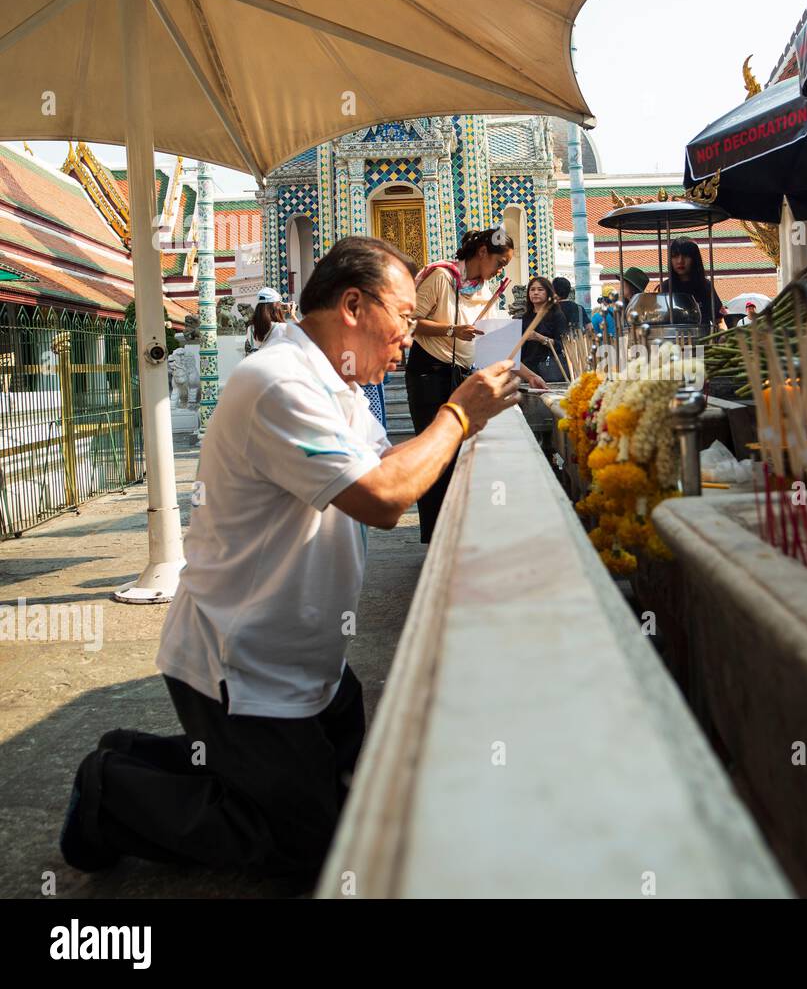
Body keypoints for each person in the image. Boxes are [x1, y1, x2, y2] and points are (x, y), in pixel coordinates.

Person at [59, 236, 522, 884]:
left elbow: (384, 467)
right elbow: (382, 499)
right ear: (354, 306)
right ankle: (110, 791)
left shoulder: (341, 382)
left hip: (306, 655)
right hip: (239, 665)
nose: (408, 338)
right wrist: (455, 416)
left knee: (349, 801)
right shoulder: (276, 383)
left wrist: (452, 427)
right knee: (302, 850)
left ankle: (143, 755)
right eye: (406, 320)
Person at [406, 225, 546, 544]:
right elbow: (409, 321)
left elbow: (494, 340)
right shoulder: (441, 277)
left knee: (459, 453)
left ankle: (456, 531)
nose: (500, 270)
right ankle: (435, 536)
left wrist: (527, 374)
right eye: (499, 262)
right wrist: (451, 331)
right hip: (428, 372)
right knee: (435, 451)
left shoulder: (484, 289)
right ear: (483, 252)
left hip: (461, 374)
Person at [659, 238, 725, 328]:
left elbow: (719, 320)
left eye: (686, 256)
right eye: (675, 256)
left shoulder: (706, 286)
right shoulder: (666, 287)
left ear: (695, 259)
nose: (680, 261)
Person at [519, 276, 569, 383]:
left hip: (549, 371)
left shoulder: (556, 315)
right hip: (528, 371)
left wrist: (539, 338)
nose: (535, 292)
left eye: (540, 289)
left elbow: (563, 346)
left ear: (548, 293)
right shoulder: (525, 317)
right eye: (532, 289)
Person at [244, 287, 287, 353]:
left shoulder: (250, 328)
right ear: (276, 307)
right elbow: (304, 339)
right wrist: (293, 316)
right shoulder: (281, 327)